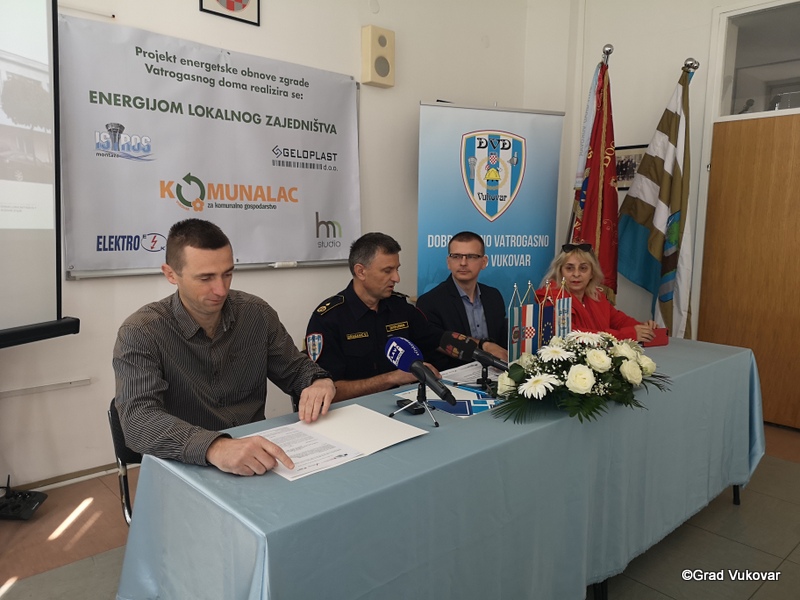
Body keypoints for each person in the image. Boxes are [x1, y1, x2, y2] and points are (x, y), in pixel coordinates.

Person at [113, 219, 335, 477]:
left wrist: (318, 381)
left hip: (257, 460)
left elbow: (296, 369)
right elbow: (138, 421)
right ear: (171, 274)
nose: (220, 289)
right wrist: (215, 447)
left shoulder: (256, 314)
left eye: (227, 274)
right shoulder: (141, 331)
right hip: (186, 465)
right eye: (205, 278)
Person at [305, 232, 442, 402]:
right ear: (361, 272)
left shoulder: (400, 307)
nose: (397, 278)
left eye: (397, 269)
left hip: (403, 403)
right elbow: (328, 391)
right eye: (387, 271)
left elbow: (436, 340)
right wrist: (392, 378)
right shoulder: (328, 319)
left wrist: (472, 347)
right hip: (352, 411)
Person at [415, 231, 508, 370]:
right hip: (453, 378)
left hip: (495, 373)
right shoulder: (430, 302)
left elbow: (501, 344)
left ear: (484, 262)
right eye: (456, 256)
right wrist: (484, 346)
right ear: (448, 262)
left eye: (471, 257)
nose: (463, 263)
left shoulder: (493, 296)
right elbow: (435, 348)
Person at [538, 243, 658, 342]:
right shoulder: (550, 298)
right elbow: (571, 335)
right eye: (569, 268)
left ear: (592, 273)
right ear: (560, 272)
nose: (576, 274)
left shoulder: (596, 296)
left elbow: (618, 320)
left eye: (583, 268)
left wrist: (643, 328)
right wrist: (628, 334)